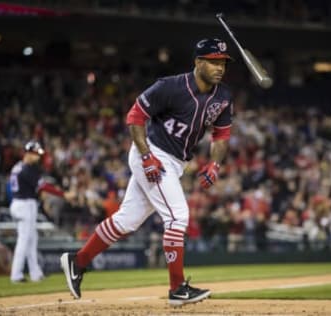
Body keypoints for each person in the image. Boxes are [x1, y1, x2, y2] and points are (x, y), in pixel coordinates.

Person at [60, 38, 234, 306]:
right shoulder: (170, 86)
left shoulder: (223, 96)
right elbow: (135, 116)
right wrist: (146, 156)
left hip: (177, 162)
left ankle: (78, 261)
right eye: (213, 61)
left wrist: (215, 164)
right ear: (198, 62)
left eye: (222, 62)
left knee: (127, 220)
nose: (219, 67)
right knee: (178, 216)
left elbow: (221, 136)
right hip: (153, 153)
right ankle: (177, 289)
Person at [10, 140, 70, 283]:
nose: (38, 157)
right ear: (28, 153)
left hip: (18, 202)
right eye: (36, 154)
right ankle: (16, 275)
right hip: (25, 204)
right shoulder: (27, 168)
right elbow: (43, 186)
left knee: (31, 239)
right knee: (24, 240)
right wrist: (63, 194)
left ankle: (35, 273)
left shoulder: (17, 167)